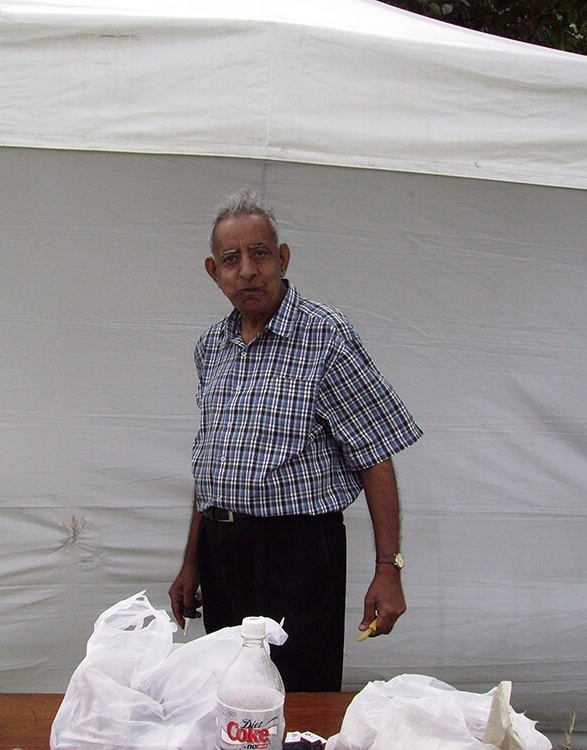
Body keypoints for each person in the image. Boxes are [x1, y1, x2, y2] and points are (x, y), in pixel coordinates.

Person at [168, 189, 422, 692]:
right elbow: (212, 467)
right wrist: (191, 562)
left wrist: (388, 569)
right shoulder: (211, 348)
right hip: (224, 552)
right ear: (212, 272)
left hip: (299, 555)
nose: (246, 271)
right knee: (231, 693)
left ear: (282, 259)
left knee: (298, 697)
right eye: (230, 259)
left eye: (260, 254)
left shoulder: (325, 337)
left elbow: (375, 456)